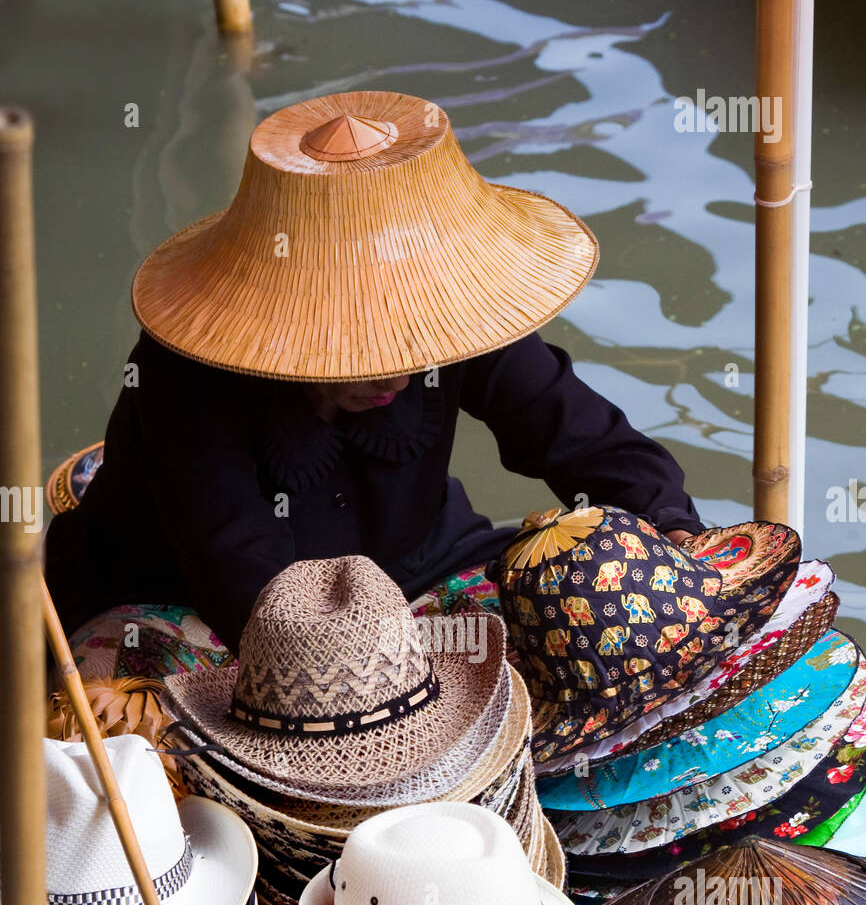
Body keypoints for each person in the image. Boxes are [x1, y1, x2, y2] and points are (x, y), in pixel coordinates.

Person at [46, 91, 702, 658]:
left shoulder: (461, 310)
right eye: (363, 354)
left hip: (422, 561)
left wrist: (672, 534)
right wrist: (373, 679)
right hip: (194, 599)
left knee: (588, 616)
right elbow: (239, 571)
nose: (397, 379)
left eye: (412, 352)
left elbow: (583, 437)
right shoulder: (184, 371)